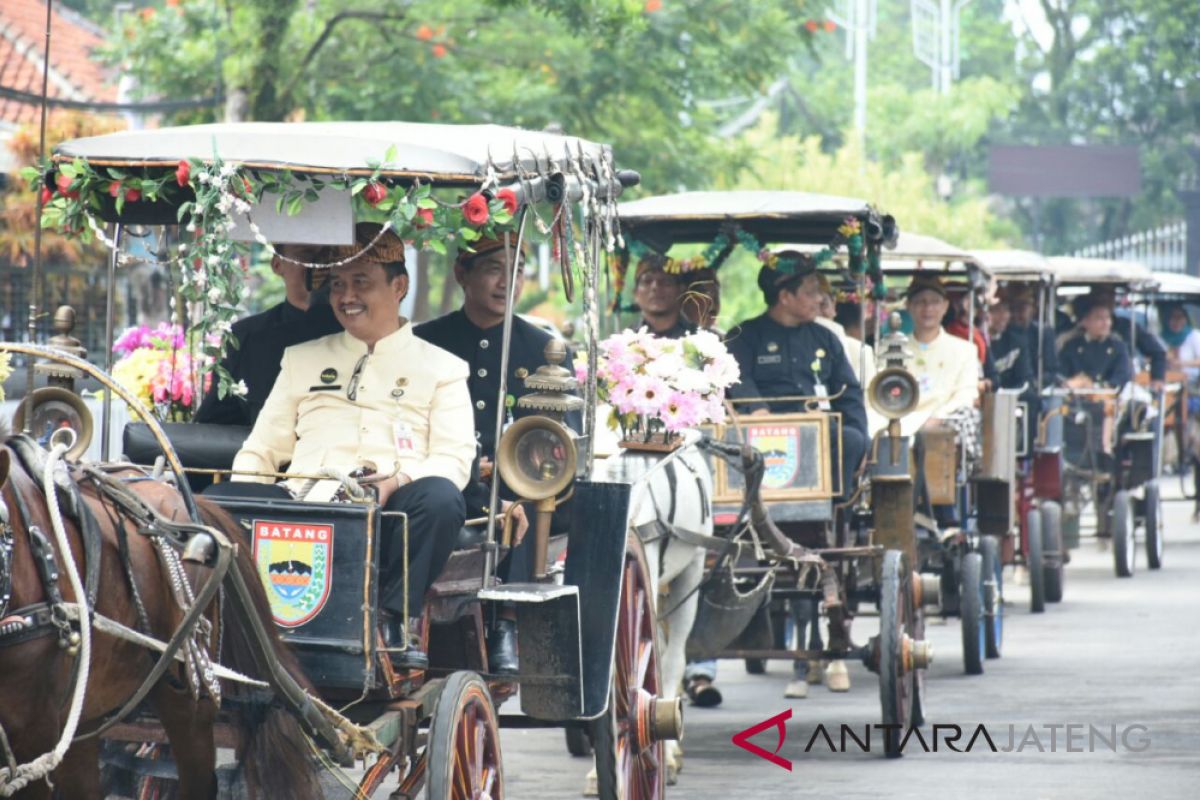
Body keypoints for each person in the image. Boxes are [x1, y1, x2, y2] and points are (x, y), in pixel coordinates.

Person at [219, 226, 474, 669]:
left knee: (441, 498)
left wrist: (398, 482)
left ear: (399, 286)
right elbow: (262, 449)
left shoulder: (443, 367)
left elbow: (453, 458)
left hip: (393, 512)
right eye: (337, 284)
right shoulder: (302, 358)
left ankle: (395, 618)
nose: (346, 296)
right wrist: (239, 504)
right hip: (303, 504)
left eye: (361, 282)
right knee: (216, 502)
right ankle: (232, 624)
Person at [725, 252, 868, 699]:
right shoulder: (743, 336)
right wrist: (758, 412)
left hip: (819, 444)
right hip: (759, 444)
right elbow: (733, 384)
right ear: (784, 296)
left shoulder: (825, 338)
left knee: (854, 440)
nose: (821, 299)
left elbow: (850, 393)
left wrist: (856, 433)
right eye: (811, 292)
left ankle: (831, 509)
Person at [415, 234, 560, 673]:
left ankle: (507, 625)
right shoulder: (425, 341)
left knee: (531, 499)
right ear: (463, 273)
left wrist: (512, 465)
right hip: (445, 476)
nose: (507, 283)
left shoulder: (543, 348)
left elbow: (556, 438)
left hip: (514, 483)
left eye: (517, 272)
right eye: (495, 269)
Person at [195, 243, 343, 427]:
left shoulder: (358, 333)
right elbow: (214, 425)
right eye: (306, 255)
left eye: (327, 257)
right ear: (277, 265)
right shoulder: (246, 337)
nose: (319, 266)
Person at [902, 274, 981, 437]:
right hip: (901, 422)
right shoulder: (893, 349)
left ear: (945, 306)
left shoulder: (965, 350)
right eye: (920, 302)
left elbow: (966, 395)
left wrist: (937, 417)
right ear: (908, 306)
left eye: (934, 302)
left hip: (946, 424)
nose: (928, 309)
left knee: (968, 416)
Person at [1074, 288, 1167, 389]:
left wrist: (1157, 379)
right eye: (1101, 297)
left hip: (1117, 391)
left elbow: (1157, 351)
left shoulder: (1125, 329)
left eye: (1110, 296)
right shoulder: (1072, 339)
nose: (1106, 300)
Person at [633, 254, 697, 339]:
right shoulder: (624, 343)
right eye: (647, 281)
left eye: (665, 281)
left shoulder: (705, 340)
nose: (655, 287)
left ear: (681, 290)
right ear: (635, 293)